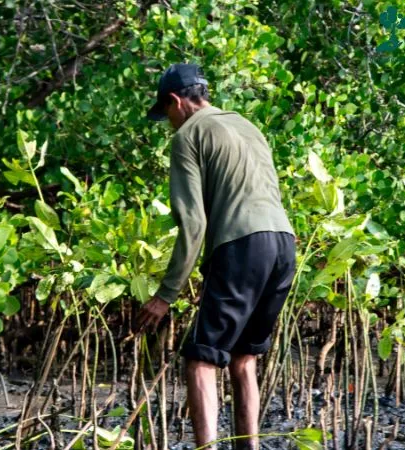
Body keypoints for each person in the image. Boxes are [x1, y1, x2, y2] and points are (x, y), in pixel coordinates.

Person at [136, 63, 296, 450]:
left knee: (201, 358)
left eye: (167, 115)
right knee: (243, 358)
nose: (169, 124)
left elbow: (193, 224)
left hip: (242, 247)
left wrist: (166, 295)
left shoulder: (188, 135)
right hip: (284, 244)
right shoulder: (246, 125)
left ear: (176, 101)